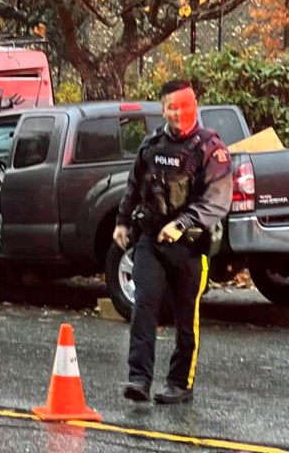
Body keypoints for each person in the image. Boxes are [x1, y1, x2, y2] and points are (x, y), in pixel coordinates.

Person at [113, 79, 232, 404]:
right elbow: (133, 185)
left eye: (184, 106)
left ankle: (180, 384)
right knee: (144, 305)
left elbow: (218, 200)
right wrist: (123, 221)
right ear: (163, 108)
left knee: (185, 316)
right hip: (151, 240)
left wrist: (182, 223)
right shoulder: (152, 144)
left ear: (195, 105)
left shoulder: (210, 148)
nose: (178, 113)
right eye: (171, 107)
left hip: (190, 247)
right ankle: (139, 378)